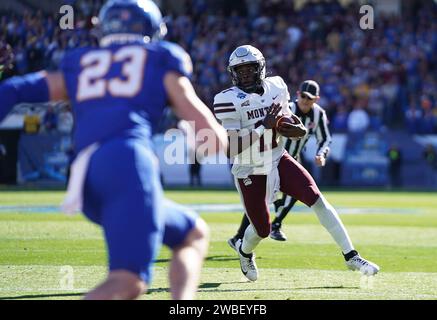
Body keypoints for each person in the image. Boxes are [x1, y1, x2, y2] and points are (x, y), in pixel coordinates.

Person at [0, 0, 228, 300]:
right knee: (127, 283)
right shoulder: (161, 58)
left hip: (84, 175)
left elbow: (14, 90)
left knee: (192, 233)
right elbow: (211, 138)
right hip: (127, 162)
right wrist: (206, 138)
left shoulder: (82, 62)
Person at [214, 45, 379, 282]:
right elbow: (233, 147)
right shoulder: (227, 99)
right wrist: (264, 126)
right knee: (262, 229)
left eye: (250, 69)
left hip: (278, 156)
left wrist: (292, 124)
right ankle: (244, 251)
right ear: (232, 73)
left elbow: (285, 117)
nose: (246, 75)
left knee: (317, 199)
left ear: (260, 68)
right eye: (240, 71)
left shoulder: (277, 86)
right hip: (249, 166)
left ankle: (351, 255)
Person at [229, 80, 332, 242]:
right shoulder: (287, 109)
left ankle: (275, 225)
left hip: (291, 160)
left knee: (299, 192)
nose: (305, 100)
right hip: (272, 159)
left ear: (316, 99)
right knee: (262, 200)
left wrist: (322, 154)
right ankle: (241, 236)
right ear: (298, 95)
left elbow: (325, 139)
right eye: (303, 96)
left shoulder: (318, 114)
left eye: (309, 98)